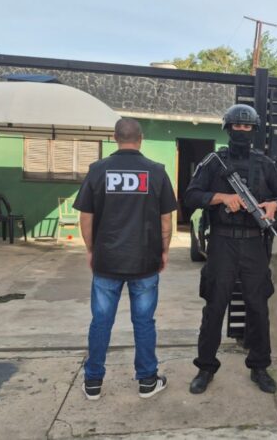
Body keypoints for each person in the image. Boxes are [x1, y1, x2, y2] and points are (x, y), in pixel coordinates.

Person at [184, 104, 277, 394]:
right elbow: (191, 195)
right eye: (237, 126)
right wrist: (221, 198)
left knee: (258, 307)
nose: (242, 131)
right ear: (228, 128)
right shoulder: (214, 162)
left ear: (254, 130)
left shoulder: (265, 164)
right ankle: (205, 367)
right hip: (222, 242)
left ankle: (259, 366)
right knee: (214, 306)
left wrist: (275, 204)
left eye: (247, 127)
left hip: (254, 243)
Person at [74, 118, 177, 401]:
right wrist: (164, 250)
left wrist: (91, 249)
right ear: (140, 138)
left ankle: (93, 383)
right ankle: (147, 381)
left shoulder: (97, 170)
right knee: (144, 322)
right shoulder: (156, 172)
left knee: (101, 322)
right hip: (144, 261)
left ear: (114, 138)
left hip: (107, 261)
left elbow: (86, 217)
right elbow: (166, 220)